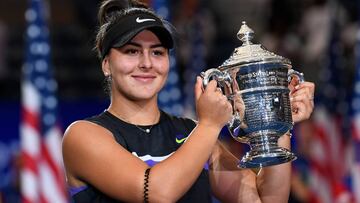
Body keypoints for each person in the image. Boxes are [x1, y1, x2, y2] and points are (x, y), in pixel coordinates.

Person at [62, 0, 316, 202]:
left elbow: (266, 201)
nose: (147, 63)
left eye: (157, 52)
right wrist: (208, 125)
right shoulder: (84, 136)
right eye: (132, 51)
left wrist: (279, 124)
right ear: (107, 64)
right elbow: (158, 193)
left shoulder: (191, 133)